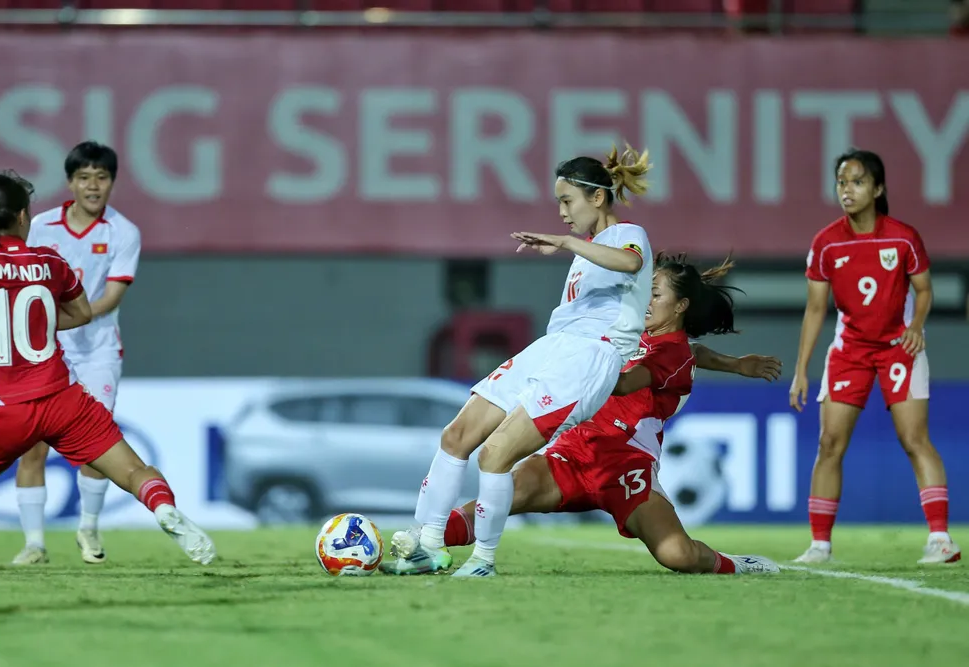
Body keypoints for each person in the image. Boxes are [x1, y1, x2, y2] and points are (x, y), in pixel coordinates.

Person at [383, 255, 782, 577]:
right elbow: (700, 353)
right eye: (645, 289)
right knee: (498, 499)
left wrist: (576, 363)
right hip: (571, 456)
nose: (644, 298)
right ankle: (417, 547)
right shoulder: (636, 333)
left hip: (625, 470)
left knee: (677, 554)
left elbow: (627, 382)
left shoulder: (672, 353)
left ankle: (735, 564)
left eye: (655, 293)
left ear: (679, 306)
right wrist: (735, 364)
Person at [392, 144, 655, 577]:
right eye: (559, 203)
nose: (563, 213)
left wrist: (569, 242)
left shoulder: (629, 234)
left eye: (567, 201)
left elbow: (630, 262)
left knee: (495, 454)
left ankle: (482, 562)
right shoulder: (587, 250)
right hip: (552, 347)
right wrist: (576, 245)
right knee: (458, 435)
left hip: (590, 357)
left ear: (597, 197)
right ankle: (427, 543)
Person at [0, 171, 214, 596]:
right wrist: (40, 325)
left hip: (2, 406)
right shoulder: (51, 262)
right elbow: (82, 314)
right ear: (24, 217)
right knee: (134, 470)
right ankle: (164, 507)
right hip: (63, 397)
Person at [789, 149, 959, 565]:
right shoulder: (826, 243)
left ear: (878, 188)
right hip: (850, 350)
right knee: (829, 443)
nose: (847, 190)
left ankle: (940, 540)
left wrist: (917, 325)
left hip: (900, 346)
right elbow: (815, 309)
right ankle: (819, 546)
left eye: (858, 181)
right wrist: (800, 371)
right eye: (842, 182)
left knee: (914, 438)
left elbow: (924, 290)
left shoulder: (902, 237)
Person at [12, 141, 141, 566]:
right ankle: (34, 544)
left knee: (95, 445)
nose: (93, 186)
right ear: (70, 182)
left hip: (97, 352)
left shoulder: (123, 232)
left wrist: (58, 319)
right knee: (33, 448)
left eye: (101, 177)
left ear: (112, 183)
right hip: (42, 352)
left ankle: (88, 528)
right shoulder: (41, 227)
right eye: (84, 177)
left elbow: (110, 298)